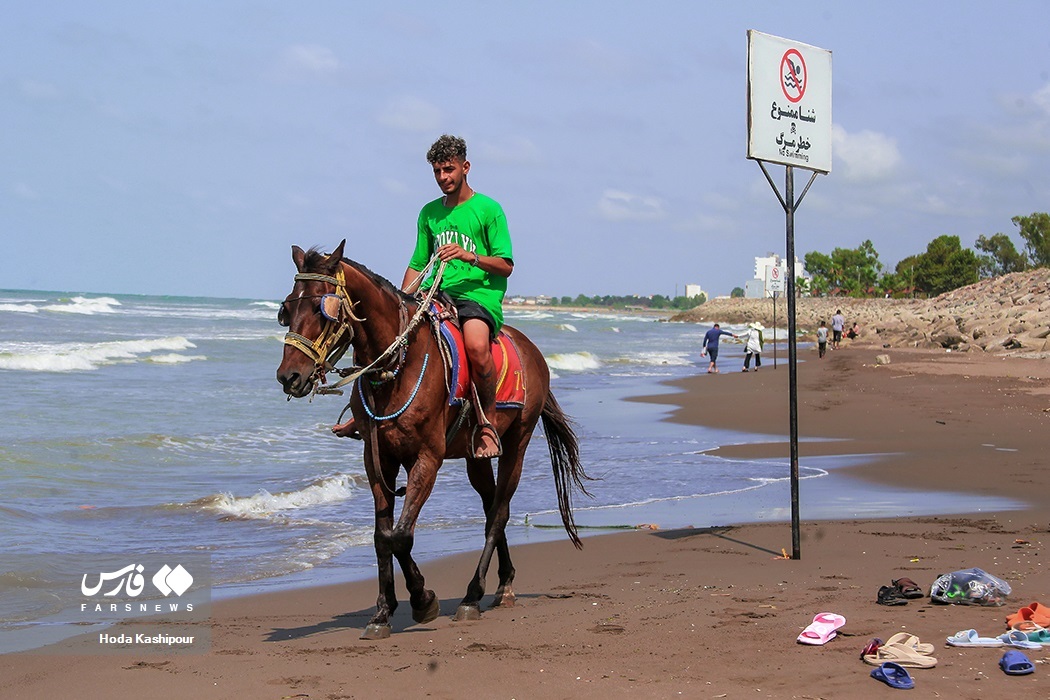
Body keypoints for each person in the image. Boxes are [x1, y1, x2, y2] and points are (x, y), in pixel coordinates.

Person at [336, 134, 514, 459]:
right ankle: (362, 412)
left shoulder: (489, 210)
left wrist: (469, 256)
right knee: (383, 337)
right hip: (434, 293)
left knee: (476, 346)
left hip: (477, 296)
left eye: (449, 169)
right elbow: (418, 263)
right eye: (437, 171)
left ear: (465, 167)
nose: (443, 177)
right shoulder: (429, 213)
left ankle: (487, 424)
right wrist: (400, 302)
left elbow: (506, 265)